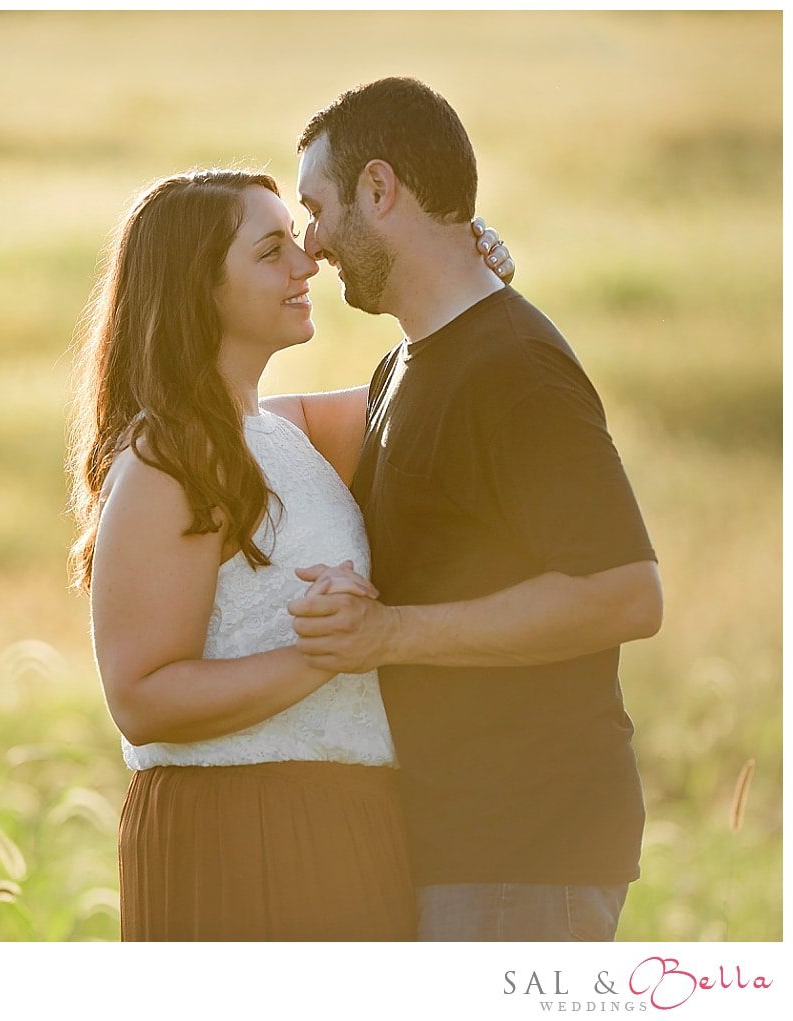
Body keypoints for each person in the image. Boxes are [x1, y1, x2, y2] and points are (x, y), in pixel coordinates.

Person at [68, 168, 512, 940]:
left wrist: (466, 286)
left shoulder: (284, 431)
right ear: (195, 288)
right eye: (273, 250)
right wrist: (329, 654)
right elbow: (140, 695)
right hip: (237, 828)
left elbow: (436, 390)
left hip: (353, 821)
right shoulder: (168, 456)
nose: (308, 264)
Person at [279, 77, 660, 941]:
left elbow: (627, 593)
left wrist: (390, 634)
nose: (312, 242)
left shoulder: (514, 370)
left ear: (379, 190)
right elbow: (267, 427)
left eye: (317, 207)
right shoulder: (408, 366)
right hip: (461, 850)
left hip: (524, 855)